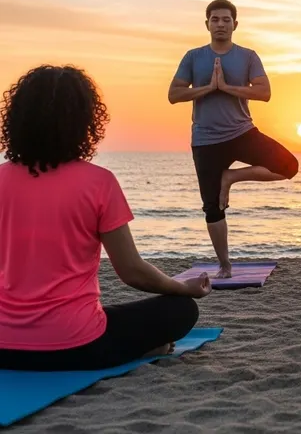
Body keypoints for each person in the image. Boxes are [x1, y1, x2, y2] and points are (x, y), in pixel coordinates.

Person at [0, 65, 210, 371]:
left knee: (102, 313)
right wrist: (182, 286)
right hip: (76, 346)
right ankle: (144, 348)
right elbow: (132, 272)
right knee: (181, 309)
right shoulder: (99, 182)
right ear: (84, 122)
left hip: (4, 349)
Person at [169, 0, 298, 279]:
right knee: (212, 208)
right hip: (205, 140)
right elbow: (174, 94)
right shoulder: (193, 57)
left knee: (289, 166)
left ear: (235, 25)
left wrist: (227, 87)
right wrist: (207, 88)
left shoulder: (248, 56)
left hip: (242, 132)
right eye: (215, 20)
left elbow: (264, 92)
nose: (220, 24)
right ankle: (225, 265)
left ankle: (231, 177)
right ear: (207, 24)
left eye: (226, 20)